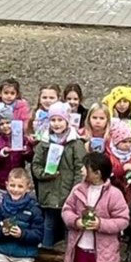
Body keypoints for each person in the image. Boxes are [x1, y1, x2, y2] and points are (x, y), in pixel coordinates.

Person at [61, 152, 130, 262]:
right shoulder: (78, 189)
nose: (81, 171)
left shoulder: (114, 194)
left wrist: (100, 224)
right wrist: (76, 221)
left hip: (104, 251)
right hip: (81, 248)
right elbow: (66, 210)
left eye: (85, 168)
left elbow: (123, 220)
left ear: (97, 173)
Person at [30, 102, 82, 251]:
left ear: (67, 121)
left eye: (60, 120)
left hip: (68, 191)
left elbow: (80, 168)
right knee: (49, 222)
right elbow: (35, 166)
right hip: (49, 191)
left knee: (68, 223)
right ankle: (45, 251)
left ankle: (69, 253)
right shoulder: (44, 143)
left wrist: (76, 190)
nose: (56, 123)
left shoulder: (75, 143)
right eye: (53, 120)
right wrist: (46, 174)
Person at [0, 167, 43, 262]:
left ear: (28, 187)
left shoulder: (34, 209)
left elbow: (38, 235)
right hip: (3, 252)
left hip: (25, 255)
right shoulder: (0, 208)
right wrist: (2, 233)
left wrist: (22, 234)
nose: (15, 190)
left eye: (20, 186)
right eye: (12, 185)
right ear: (7, 185)